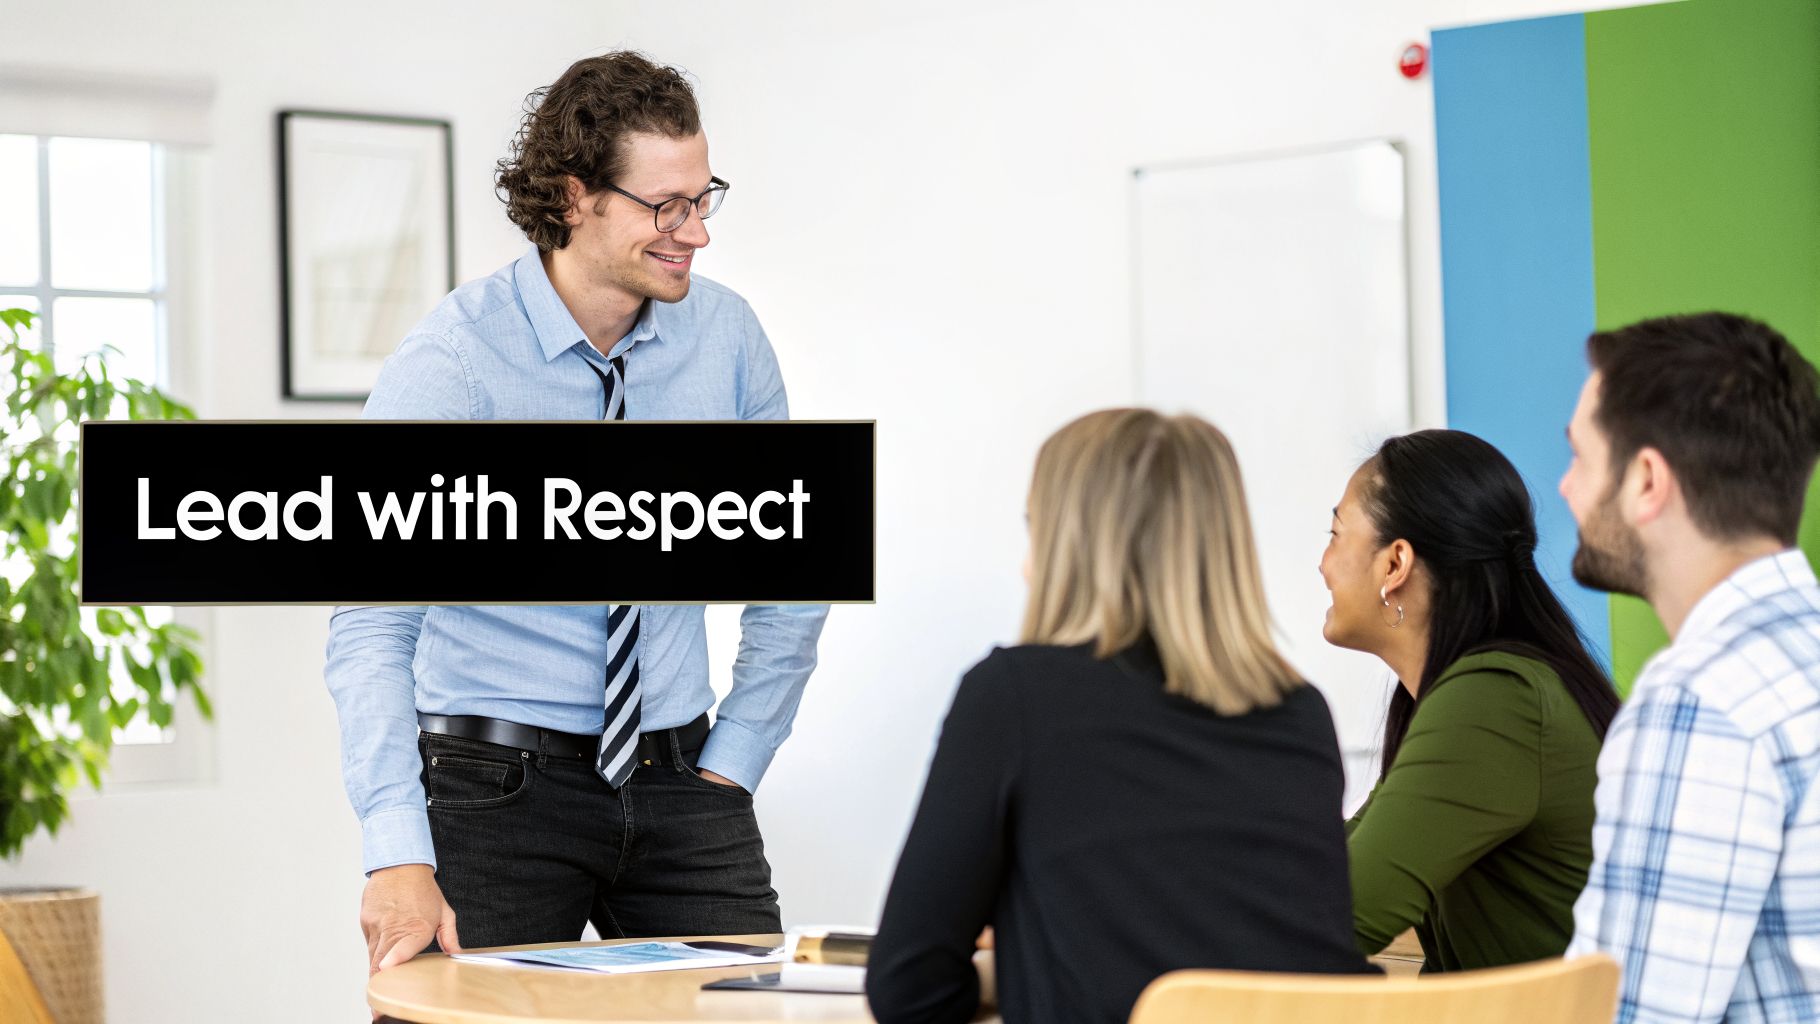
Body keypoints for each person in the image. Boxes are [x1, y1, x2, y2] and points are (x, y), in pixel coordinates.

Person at [322, 52, 828, 974]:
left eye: (703, 197)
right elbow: (372, 622)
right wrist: (396, 849)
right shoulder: (455, 365)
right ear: (574, 196)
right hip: (493, 793)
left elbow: (792, 567)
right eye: (663, 207)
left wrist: (738, 754)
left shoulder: (728, 341)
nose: (696, 233)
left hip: (685, 780)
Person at [867, 409, 1370, 1024]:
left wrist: (1025, 981)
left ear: (1069, 548)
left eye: (1037, 532)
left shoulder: (1015, 694)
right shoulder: (1299, 712)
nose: (1028, 566)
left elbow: (909, 987)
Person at [1562, 312, 1820, 1022]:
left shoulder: (1701, 699)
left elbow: (1630, 1015)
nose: (1565, 488)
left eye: (1580, 457)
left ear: (1648, 480)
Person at [1320, 429, 1619, 970]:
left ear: (1395, 565)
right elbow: (1340, 863)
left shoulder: (1495, 702)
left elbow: (1340, 910)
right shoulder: (1478, 694)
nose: (1324, 564)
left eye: (1336, 535)